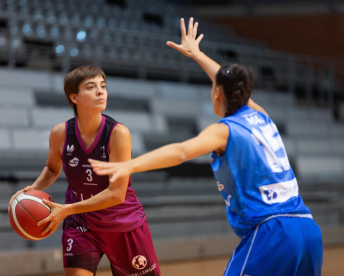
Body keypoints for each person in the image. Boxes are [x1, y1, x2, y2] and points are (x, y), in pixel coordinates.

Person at [89, 18, 323, 276]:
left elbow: (180, 152)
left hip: (273, 232)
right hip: (308, 227)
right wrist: (198, 55)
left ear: (217, 94)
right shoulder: (262, 117)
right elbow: (229, 83)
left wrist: (129, 165)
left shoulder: (224, 130)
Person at [9, 65, 160, 276]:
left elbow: (117, 194)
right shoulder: (60, 133)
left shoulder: (118, 134)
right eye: (91, 87)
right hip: (81, 224)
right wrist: (31, 191)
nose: (100, 91)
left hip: (122, 223)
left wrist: (67, 209)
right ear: (74, 97)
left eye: (103, 86)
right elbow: (52, 169)